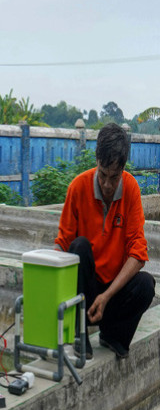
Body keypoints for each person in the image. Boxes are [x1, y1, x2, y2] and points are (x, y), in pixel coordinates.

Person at [54, 123, 155, 360]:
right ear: (96, 161)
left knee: (146, 285)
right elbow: (61, 245)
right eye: (102, 175)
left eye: (114, 177)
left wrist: (107, 296)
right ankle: (80, 333)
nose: (108, 185)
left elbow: (138, 254)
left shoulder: (131, 189)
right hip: (84, 292)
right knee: (78, 246)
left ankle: (113, 335)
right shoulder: (78, 187)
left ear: (123, 169)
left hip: (112, 292)